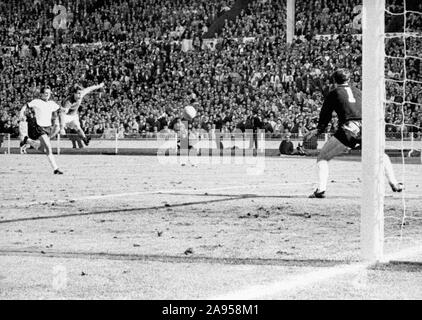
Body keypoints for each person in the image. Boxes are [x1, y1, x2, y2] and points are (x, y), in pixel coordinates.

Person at [304, 69, 403, 198]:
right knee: (379, 155)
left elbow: (325, 114)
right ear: (349, 80)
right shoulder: (358, 91)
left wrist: (319, 130)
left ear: (334, 81)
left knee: (323, 158)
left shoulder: (333, 93)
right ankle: (394, 183)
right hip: (368, 127)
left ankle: (321, 189)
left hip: (349, 129)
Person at [18, 86, 63, 174]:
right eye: (46, 93)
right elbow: (25, 106)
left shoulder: (52, 103)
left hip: (48, 128)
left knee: (44, 149)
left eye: (49, 93)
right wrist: (21, 114)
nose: (47, 95)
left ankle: (28, 141)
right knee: (48, 147)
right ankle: (56, 168)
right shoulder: (37, 102)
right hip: (39, 127)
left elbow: (60, 109)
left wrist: (65, 112)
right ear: (41, 94)